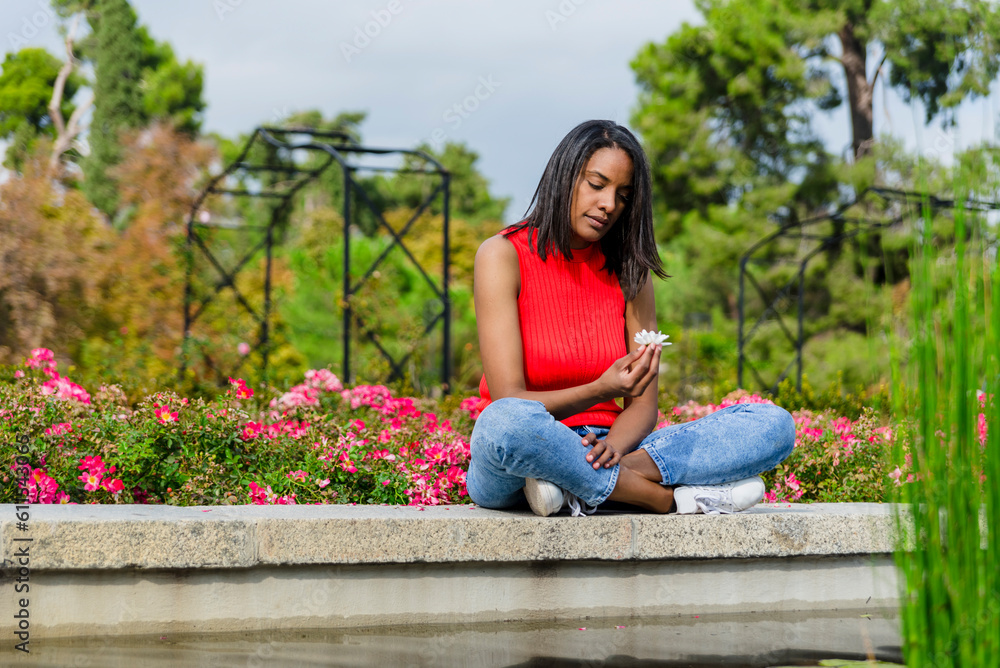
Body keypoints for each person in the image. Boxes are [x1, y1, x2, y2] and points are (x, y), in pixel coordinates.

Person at [467, 120, 794, 516]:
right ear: (564, 176)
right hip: (520, 457)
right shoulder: (502, 255)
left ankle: (574, 485)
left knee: (772, 424)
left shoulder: (630, 271)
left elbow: (642, 406)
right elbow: (509, 398)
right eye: (597, 184)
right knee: (505, 423)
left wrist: (614, 449)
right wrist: (599, 389)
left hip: (611, 443)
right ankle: (664, 499)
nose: (609, 204)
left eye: (623, 195)